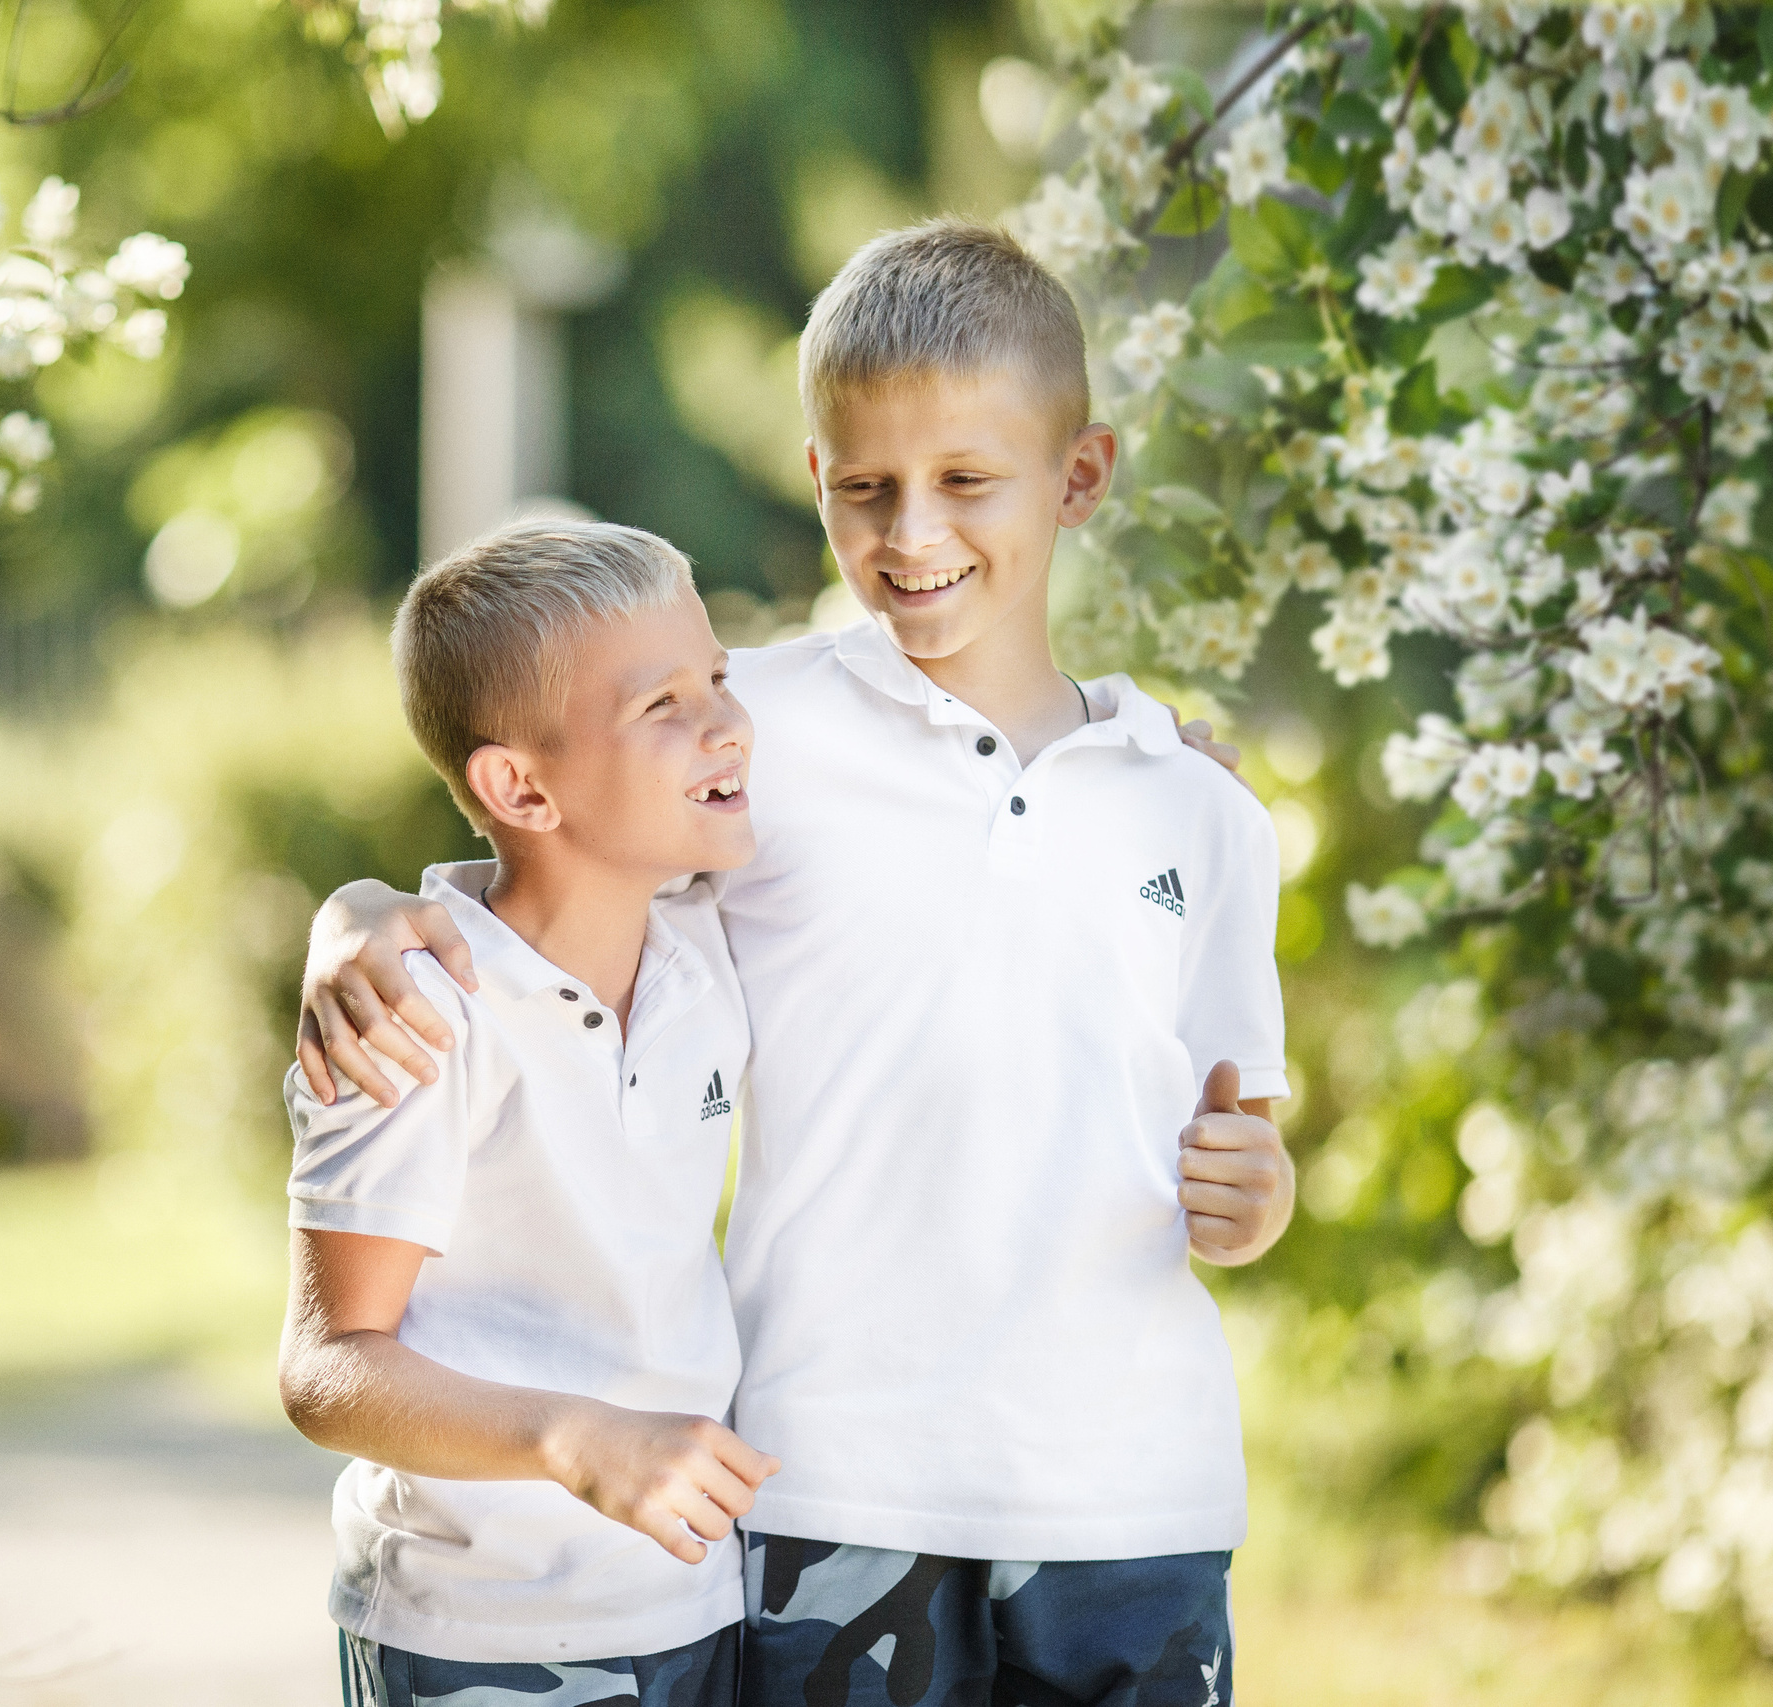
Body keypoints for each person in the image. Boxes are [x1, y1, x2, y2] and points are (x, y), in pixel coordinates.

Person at [296, 219, 1295, 1706]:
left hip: (1133, 1489)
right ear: (817, 480)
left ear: (1079, 477)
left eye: (965, 482)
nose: (914, 531)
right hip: (829, 1482)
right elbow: (537, 830)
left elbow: (1242, 1130)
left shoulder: (1194, 805)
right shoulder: (754, 727)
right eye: (869, 488)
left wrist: (1260, 1194)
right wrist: (359, 915)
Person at [277, 519, 781, 1707]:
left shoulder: (708, 946)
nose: (726, 725)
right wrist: (577, 1437)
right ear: (517, 785)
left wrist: (1161, 767)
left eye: (719, 679)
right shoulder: (408, 1011)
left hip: (697, 1598)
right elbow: (325, 1368)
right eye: (663, 703)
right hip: (477, 1635)